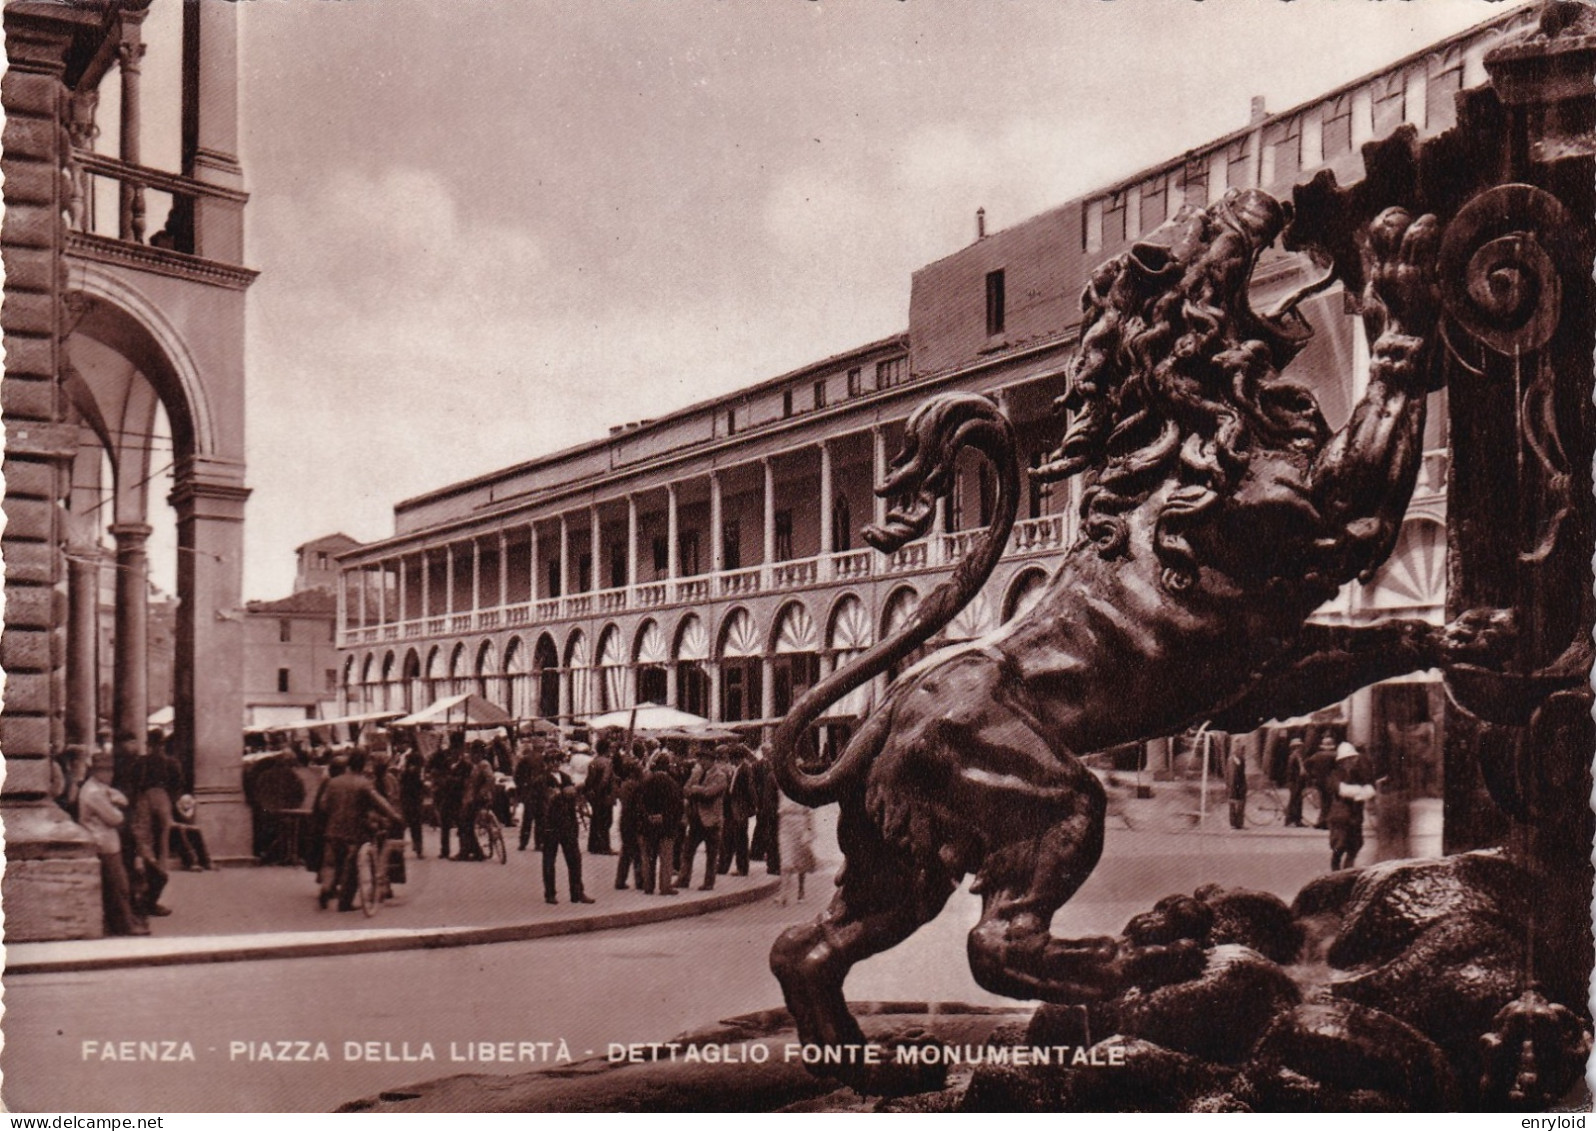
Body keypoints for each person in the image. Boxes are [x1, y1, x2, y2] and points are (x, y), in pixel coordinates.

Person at [314, 748, 400, 911]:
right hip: (354, 831)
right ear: (362, 765)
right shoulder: (364, 784)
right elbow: (381, 803)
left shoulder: (334, 782)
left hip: (332, 829)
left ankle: (326, 889)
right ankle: (344, 903)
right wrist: (395, 817)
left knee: (331, 863)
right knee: (352, 866)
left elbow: (323, 805)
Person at [77, 746, 147, 936]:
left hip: (106, 841)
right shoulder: (94, 792)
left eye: (110, 770)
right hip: (104, 843)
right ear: (95, 771)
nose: (109, 774)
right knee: (119, 887)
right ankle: (126, 926)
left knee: (116, 886)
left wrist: (116, 802)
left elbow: (122, 800)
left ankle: (122, 924)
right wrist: (116, 806)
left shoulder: (98, 788)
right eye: (105, 770)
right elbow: (115, 818)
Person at [128, 730, 184, 918]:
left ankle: (149, 869)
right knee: (161, 842)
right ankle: (155, 876)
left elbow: (134, 785)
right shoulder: (171, 763)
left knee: (145, 840)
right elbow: (178, 785)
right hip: (162, 798)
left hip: (145, 798)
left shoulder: (141, 762)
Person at [533, 748, 593, 904]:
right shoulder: (541, 780)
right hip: (550, 825)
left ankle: (577, 892)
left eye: (557, 761)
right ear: (546, 763)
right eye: (551, 761)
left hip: (567, 824)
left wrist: (575, 823)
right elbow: (541, 804)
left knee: (575, 859)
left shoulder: (566, 777)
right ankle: (550, 893)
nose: (554, 764)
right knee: (549, 860)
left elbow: (573, 801)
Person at [677, 744, 730, 892]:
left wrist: (696, 790)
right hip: (695, 819)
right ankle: (683, 878)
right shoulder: (696, 773)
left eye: (704, 759)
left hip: (711, 820)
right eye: (700, 759)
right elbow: (685, 789)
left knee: (711, 855)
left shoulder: (720, 775)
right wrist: (696, 790)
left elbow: (710, 793)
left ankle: (708, 882)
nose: (701, 762)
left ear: (712, 760)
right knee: (687, 851)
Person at [637, 754, 684, 896]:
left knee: (648, 858)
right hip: (666, 826)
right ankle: (665, 887)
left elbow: (639, 804)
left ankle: (648, 886)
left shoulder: (646, 782)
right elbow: (677, 806)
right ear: (668, 766)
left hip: (648, 826)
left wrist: (648, 816)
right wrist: (664, 817)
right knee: (666, 858)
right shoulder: (672, 783)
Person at [1327, 741, 1376, 871]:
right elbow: (1343, 790)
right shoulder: (1335, 774)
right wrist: (1361, 792)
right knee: (1339, 846)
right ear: (1341, 761)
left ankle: (1347, 871)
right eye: (1348, 759)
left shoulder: (1358, 774)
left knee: (1355, 846)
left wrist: (1360, 792)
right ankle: (1335, 871)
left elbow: (1370, 789)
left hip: (1355, 817)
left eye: (1352, 759)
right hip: (1341, 818)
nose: (1351, 762)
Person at [719, 744, 758, 876]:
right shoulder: (739, 769)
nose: (730, 761)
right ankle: (723, 866)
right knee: (729, 837)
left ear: (737, 758)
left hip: (739, 809)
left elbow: (750, 790)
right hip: (732, 808)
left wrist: (751, 808)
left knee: (740, 839)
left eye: (732, 758)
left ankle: (742, 868)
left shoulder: (745, 770)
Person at [774, 790, 816, 906]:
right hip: (785, 823)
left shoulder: (803, 786)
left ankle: (801, 891)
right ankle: (783, 895)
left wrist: (809, 830)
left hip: (800, 822)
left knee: (800, 861)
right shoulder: (782, 786)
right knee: (785, 860)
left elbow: (810, 811)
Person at [613, 755, 645, 890]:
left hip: (625, 819)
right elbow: (638, 805)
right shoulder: (635, 785)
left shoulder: (625, 784)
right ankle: (639, 880)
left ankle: (621, 880)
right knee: (637, 851)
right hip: (633, 820)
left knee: (626, 850)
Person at [583, 735, 617, 855]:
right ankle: (604, 846)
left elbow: (589, 780)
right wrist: (600, 790)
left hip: (595, 796)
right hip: (605, 795)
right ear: (607, 749)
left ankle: (593, 845)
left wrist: (591, 790)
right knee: (606, 821)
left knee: (596, 820)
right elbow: (605, 779)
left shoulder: (593, 762)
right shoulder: (607, 763)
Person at [170, 793, 214, 871]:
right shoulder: (175, 809)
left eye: (189, 803)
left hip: (186, 830)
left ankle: (205, 860)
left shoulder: (189, 808)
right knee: (182, 832)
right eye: (185, 803)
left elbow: (189, 820)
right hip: (174, 833)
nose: (187, 805)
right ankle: (191, 861)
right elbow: (171, 822)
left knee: (196, 832)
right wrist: (182, 810)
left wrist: (191, 809)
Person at [513, 736, 543, 851]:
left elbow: (516, 776)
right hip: (539, 792)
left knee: (527, 818)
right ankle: (538, 843)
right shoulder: (543, 759)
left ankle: (523, 843)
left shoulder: (524, 759)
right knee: (540, 818)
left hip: (529, 792)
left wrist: (521, 788)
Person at [1304, 734, 1339, 831]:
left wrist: (1312, 774)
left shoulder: (1317, 755)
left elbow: (1306, 764)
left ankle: (1321, 821)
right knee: (1331, 802)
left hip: (1319, 781)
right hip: (1331, 781)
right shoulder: (1335, 755)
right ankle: (1327, 822)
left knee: (1324, 801)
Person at [398, 748, 427, 858]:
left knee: (406, 826)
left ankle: (409, 848)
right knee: (415, 827)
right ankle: (417, 848)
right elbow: (419, 788)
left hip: (408, 802)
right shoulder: (412, 775)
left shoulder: (405, 774)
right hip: (412, 803)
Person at [1283, 738, 1308, 827]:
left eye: (1300, 747)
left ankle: (1297, 820)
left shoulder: (1298, 757)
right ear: (1294, 747)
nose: (1300, 748)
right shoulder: (1293, 757)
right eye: (1298, 747)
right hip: (1294, 782)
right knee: (1294, 801)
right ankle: (1290, 820)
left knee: (1297, 801)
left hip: (1298, 782)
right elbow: (1290, 771)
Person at [1224, 739, 1247, 830]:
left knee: (1233, 804)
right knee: (1239, 804)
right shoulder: (1239, 759)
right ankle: (1238, 823)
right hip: (1237, 786)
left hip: (1232, 786)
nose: (1243, 752)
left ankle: (1234, 823)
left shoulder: (1230, 759)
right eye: (1242, 749)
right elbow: (1235, 775)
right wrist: (1236, 788)